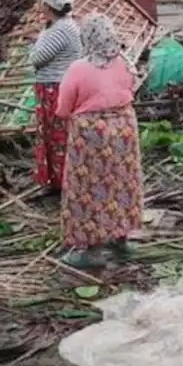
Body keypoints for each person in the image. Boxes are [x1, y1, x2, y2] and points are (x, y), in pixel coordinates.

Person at [55, 14, 143, 269]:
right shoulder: (124, 62)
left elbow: (63, 109)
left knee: (89, 188)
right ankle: (121, 239)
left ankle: (90, 248)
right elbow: (131, 88)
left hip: (92, 136)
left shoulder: (79, 68)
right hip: (125, 129)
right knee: (122, 183)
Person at [29, 0, 83, 191]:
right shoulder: (60, 26)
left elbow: (37, 59)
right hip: (55, 86)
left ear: (48, 6)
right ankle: (57, 179)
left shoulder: (60, 30)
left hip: (56, 89)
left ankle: (63, 181)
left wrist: (32, 47)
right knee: (54, 134)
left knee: (57, 136)